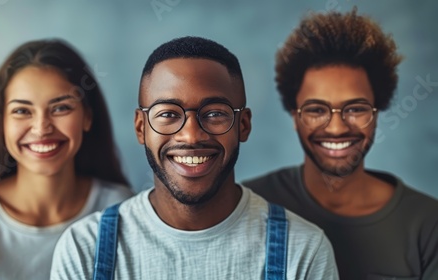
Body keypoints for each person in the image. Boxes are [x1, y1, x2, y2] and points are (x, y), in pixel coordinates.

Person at [50, 36, 338, 280]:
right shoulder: (85, 249)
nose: (190, 135)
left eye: (214, 114)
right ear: (141, 127)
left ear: (244, 125)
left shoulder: (302, 251)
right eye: (168, 114)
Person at [243, 8, 438, 280]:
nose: (336, 128)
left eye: (355, 109)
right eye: (316, 110)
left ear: (377, 111)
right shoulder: (247, 205)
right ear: (294, 116)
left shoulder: (427, 225)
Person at [0, 39, 134, 280]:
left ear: (87, 117)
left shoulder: (123, 210)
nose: (41, 128)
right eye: (22, 111)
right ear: (1, 123)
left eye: (61, 108)